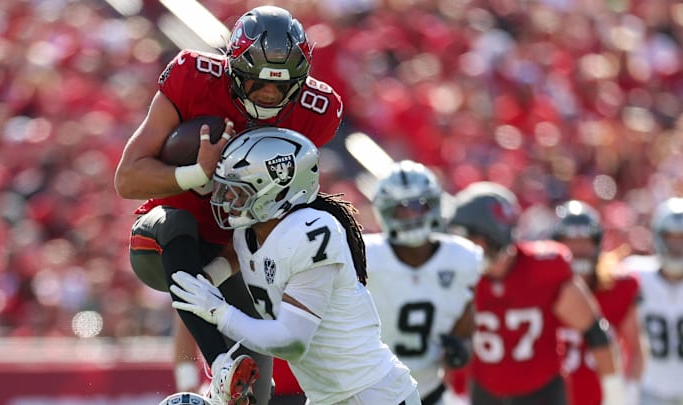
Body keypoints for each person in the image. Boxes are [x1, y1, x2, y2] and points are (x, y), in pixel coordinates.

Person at [113, 5, 343, 403]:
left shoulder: (316, 111)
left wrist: (217, 273)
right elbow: (127, 178)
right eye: (258, 83)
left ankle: (216, 383)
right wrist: (195, 175)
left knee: (256, 396)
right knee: (177, 222)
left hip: (240, 255)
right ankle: (217, 366)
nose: (270, 94)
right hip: (164, 241)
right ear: (234, 69)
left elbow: (277, 217)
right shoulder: (193, 76)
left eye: (280, 86)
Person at [169, 127, 421, 404]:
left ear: (274, 190)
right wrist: (208, 278)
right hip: (328, 396)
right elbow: (241, 258)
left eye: (237, 190)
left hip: (375, 392)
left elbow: (291, 342)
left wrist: (219, 312)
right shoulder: (247, 234)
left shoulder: (311, 232)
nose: (227, 198)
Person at [446, 182, 624, 405]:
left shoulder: (543, 268)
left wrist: (615, 395)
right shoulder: (459, 274)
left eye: (469, 238)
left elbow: (595, 332)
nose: (461, 247)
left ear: (492, 234)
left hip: (541, 394)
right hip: (485, 393)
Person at [363, 160, 483, 405]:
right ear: (385, 211)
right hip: (367, 391)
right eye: (402, 208)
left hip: (428, 390)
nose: (412, 215)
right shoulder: (364, 256)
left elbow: (464, 332)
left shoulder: (461, 258)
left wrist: (460, 350)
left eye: (419, 205)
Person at [551, 200, 644, 405]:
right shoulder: (544, 290)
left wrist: (628, 391)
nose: (578, 249)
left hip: (601, 397)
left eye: (585, 241)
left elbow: (636, 348)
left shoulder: (619, 286)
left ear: (597, 243)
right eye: (570, 241)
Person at [623, 197, 683, 405]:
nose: (677, 246)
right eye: (671, 238)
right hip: (647, 388)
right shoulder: (634, 274)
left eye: (682, 238)